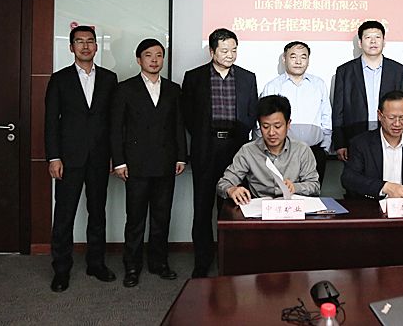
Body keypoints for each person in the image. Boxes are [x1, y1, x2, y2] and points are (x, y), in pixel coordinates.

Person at [44, 25, 118, 292]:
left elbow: (114, 122)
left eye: (90, 41)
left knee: (97, 213)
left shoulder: (109, 79)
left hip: (99, 157)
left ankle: (96, 264)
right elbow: (51, 121)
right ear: (71, 47)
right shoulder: (59, 79)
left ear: (96, 46)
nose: (85, 46)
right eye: (79, 41)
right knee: (64, 215)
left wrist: (114, 156)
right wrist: (54, 157)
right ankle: (61, 270)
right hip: (69, 158)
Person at [182, 28, 258, 278]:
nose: (230, 55)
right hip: (206, 148)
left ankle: (233, 260)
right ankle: (202, 261)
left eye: (234, 50)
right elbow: (188, 115)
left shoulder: (247, 77)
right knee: (203, 207)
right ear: (212, 51)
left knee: (234, 206)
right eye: (224, 50)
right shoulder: (194, 77)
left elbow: (251, 113)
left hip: (237, 150)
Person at [111, 38, 187, 287]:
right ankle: (132, 266)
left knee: (161, 217)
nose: (154, 60)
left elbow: (178, 125)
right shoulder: (125, 89)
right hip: (136, 164)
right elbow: (116, 128)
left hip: (166, 162)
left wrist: (181, 156)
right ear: (138, 59)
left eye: (159, 55)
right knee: (135, 219)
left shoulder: (173, 89)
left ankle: (159, 263)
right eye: (148, 55)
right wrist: (119, 162)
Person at [217, 95, 320, 204]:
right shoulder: (248, 151)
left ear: (288, 124)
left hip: (292, 208)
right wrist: (231, 190)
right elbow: (223, 183)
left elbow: (315, 186)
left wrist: (295, 187)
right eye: (265, 126)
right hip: (259, 209)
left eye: (277, 126)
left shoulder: (302, 150)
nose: (271, 133)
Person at [332, 20, 403, 162]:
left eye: (377, 37)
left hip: (390, 138)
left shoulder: (397, 70)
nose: (373, 41)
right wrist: (340, 143)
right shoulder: (345, 71)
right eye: (368, 37)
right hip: (355, 138)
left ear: (384, 42)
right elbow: (338, 111)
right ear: (360, 43)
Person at [260, 41, 332, 184]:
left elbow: (326, 117)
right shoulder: (273, 86)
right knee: (283, 192)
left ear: (308, 60)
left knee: (312, 192)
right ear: (284, 59)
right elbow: (262, 120)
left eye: (303, 57)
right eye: (293, 57)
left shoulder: (319, 84)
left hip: (314, 151)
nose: (298, 61)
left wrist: (325, 148)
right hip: (282, 152)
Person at [341, 91, 403, 198]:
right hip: (371, 204)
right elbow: (349, 178)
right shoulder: (361, 143)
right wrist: (384, 187)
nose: (397, 124)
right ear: (380, 115)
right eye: (391, 118)